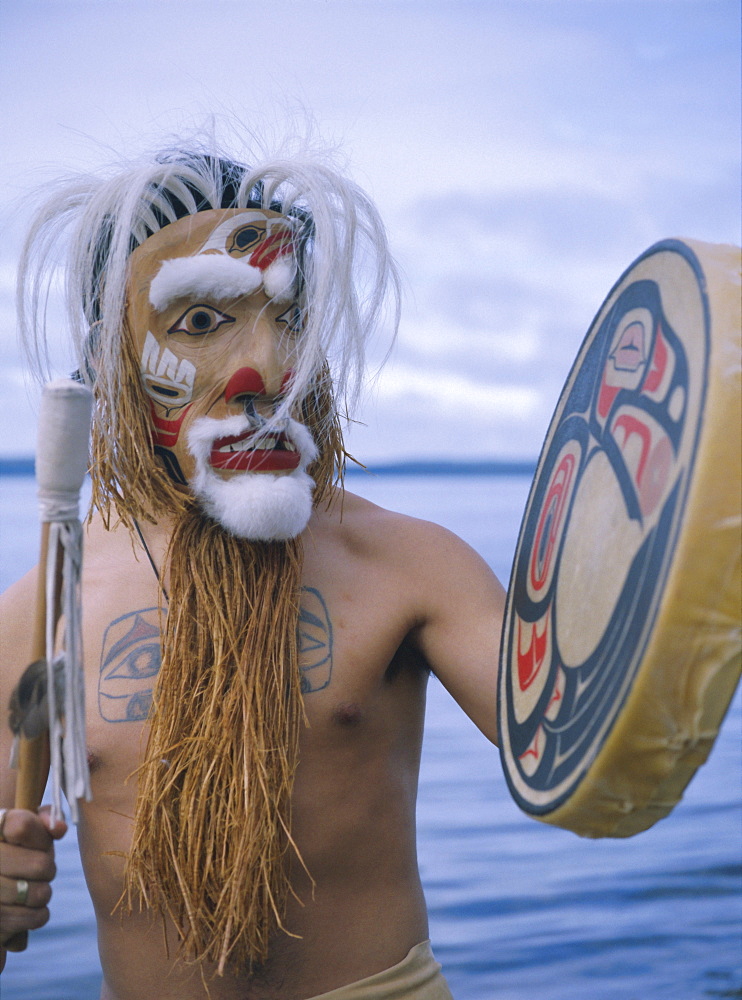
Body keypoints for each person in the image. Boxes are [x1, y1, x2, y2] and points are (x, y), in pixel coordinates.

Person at [0, 140, 505, 999]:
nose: (266, 371)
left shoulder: (410, 563)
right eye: (200, 321)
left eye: (289, 318)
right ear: (114, 360)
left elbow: (583, 748)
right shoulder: (45, 609)